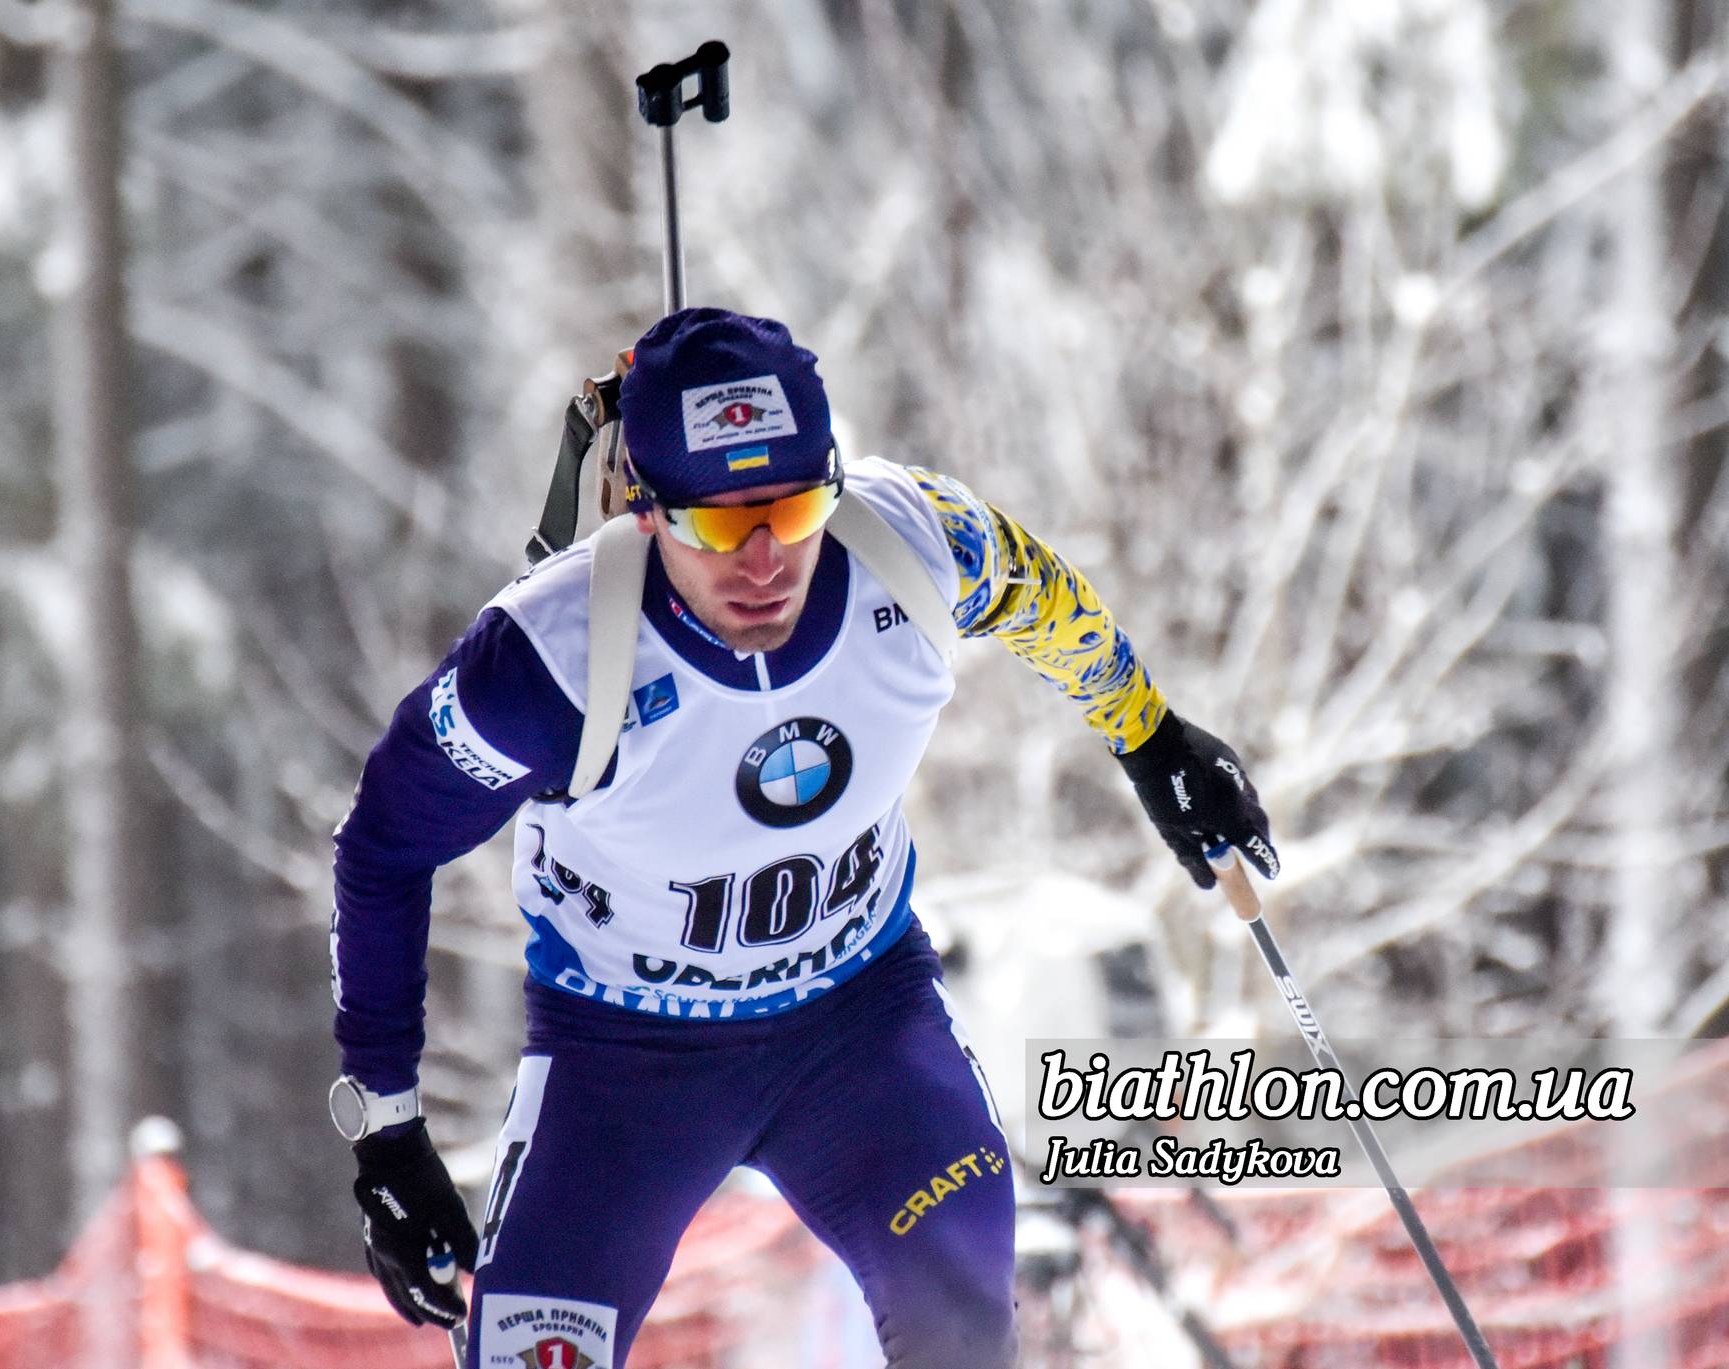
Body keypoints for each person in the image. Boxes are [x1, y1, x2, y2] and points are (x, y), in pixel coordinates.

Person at [328, 308, 1279, 1368]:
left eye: (794, 508)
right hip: (624, 1064)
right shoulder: (547, 662)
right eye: (720, 526)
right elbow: (382, 847)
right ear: (646, 510)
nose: (766, 559)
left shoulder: (913, 542)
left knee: (964, 1325)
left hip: (860, 1029)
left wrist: (1154, 740)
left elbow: (1044, 602)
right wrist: (387, 1131)